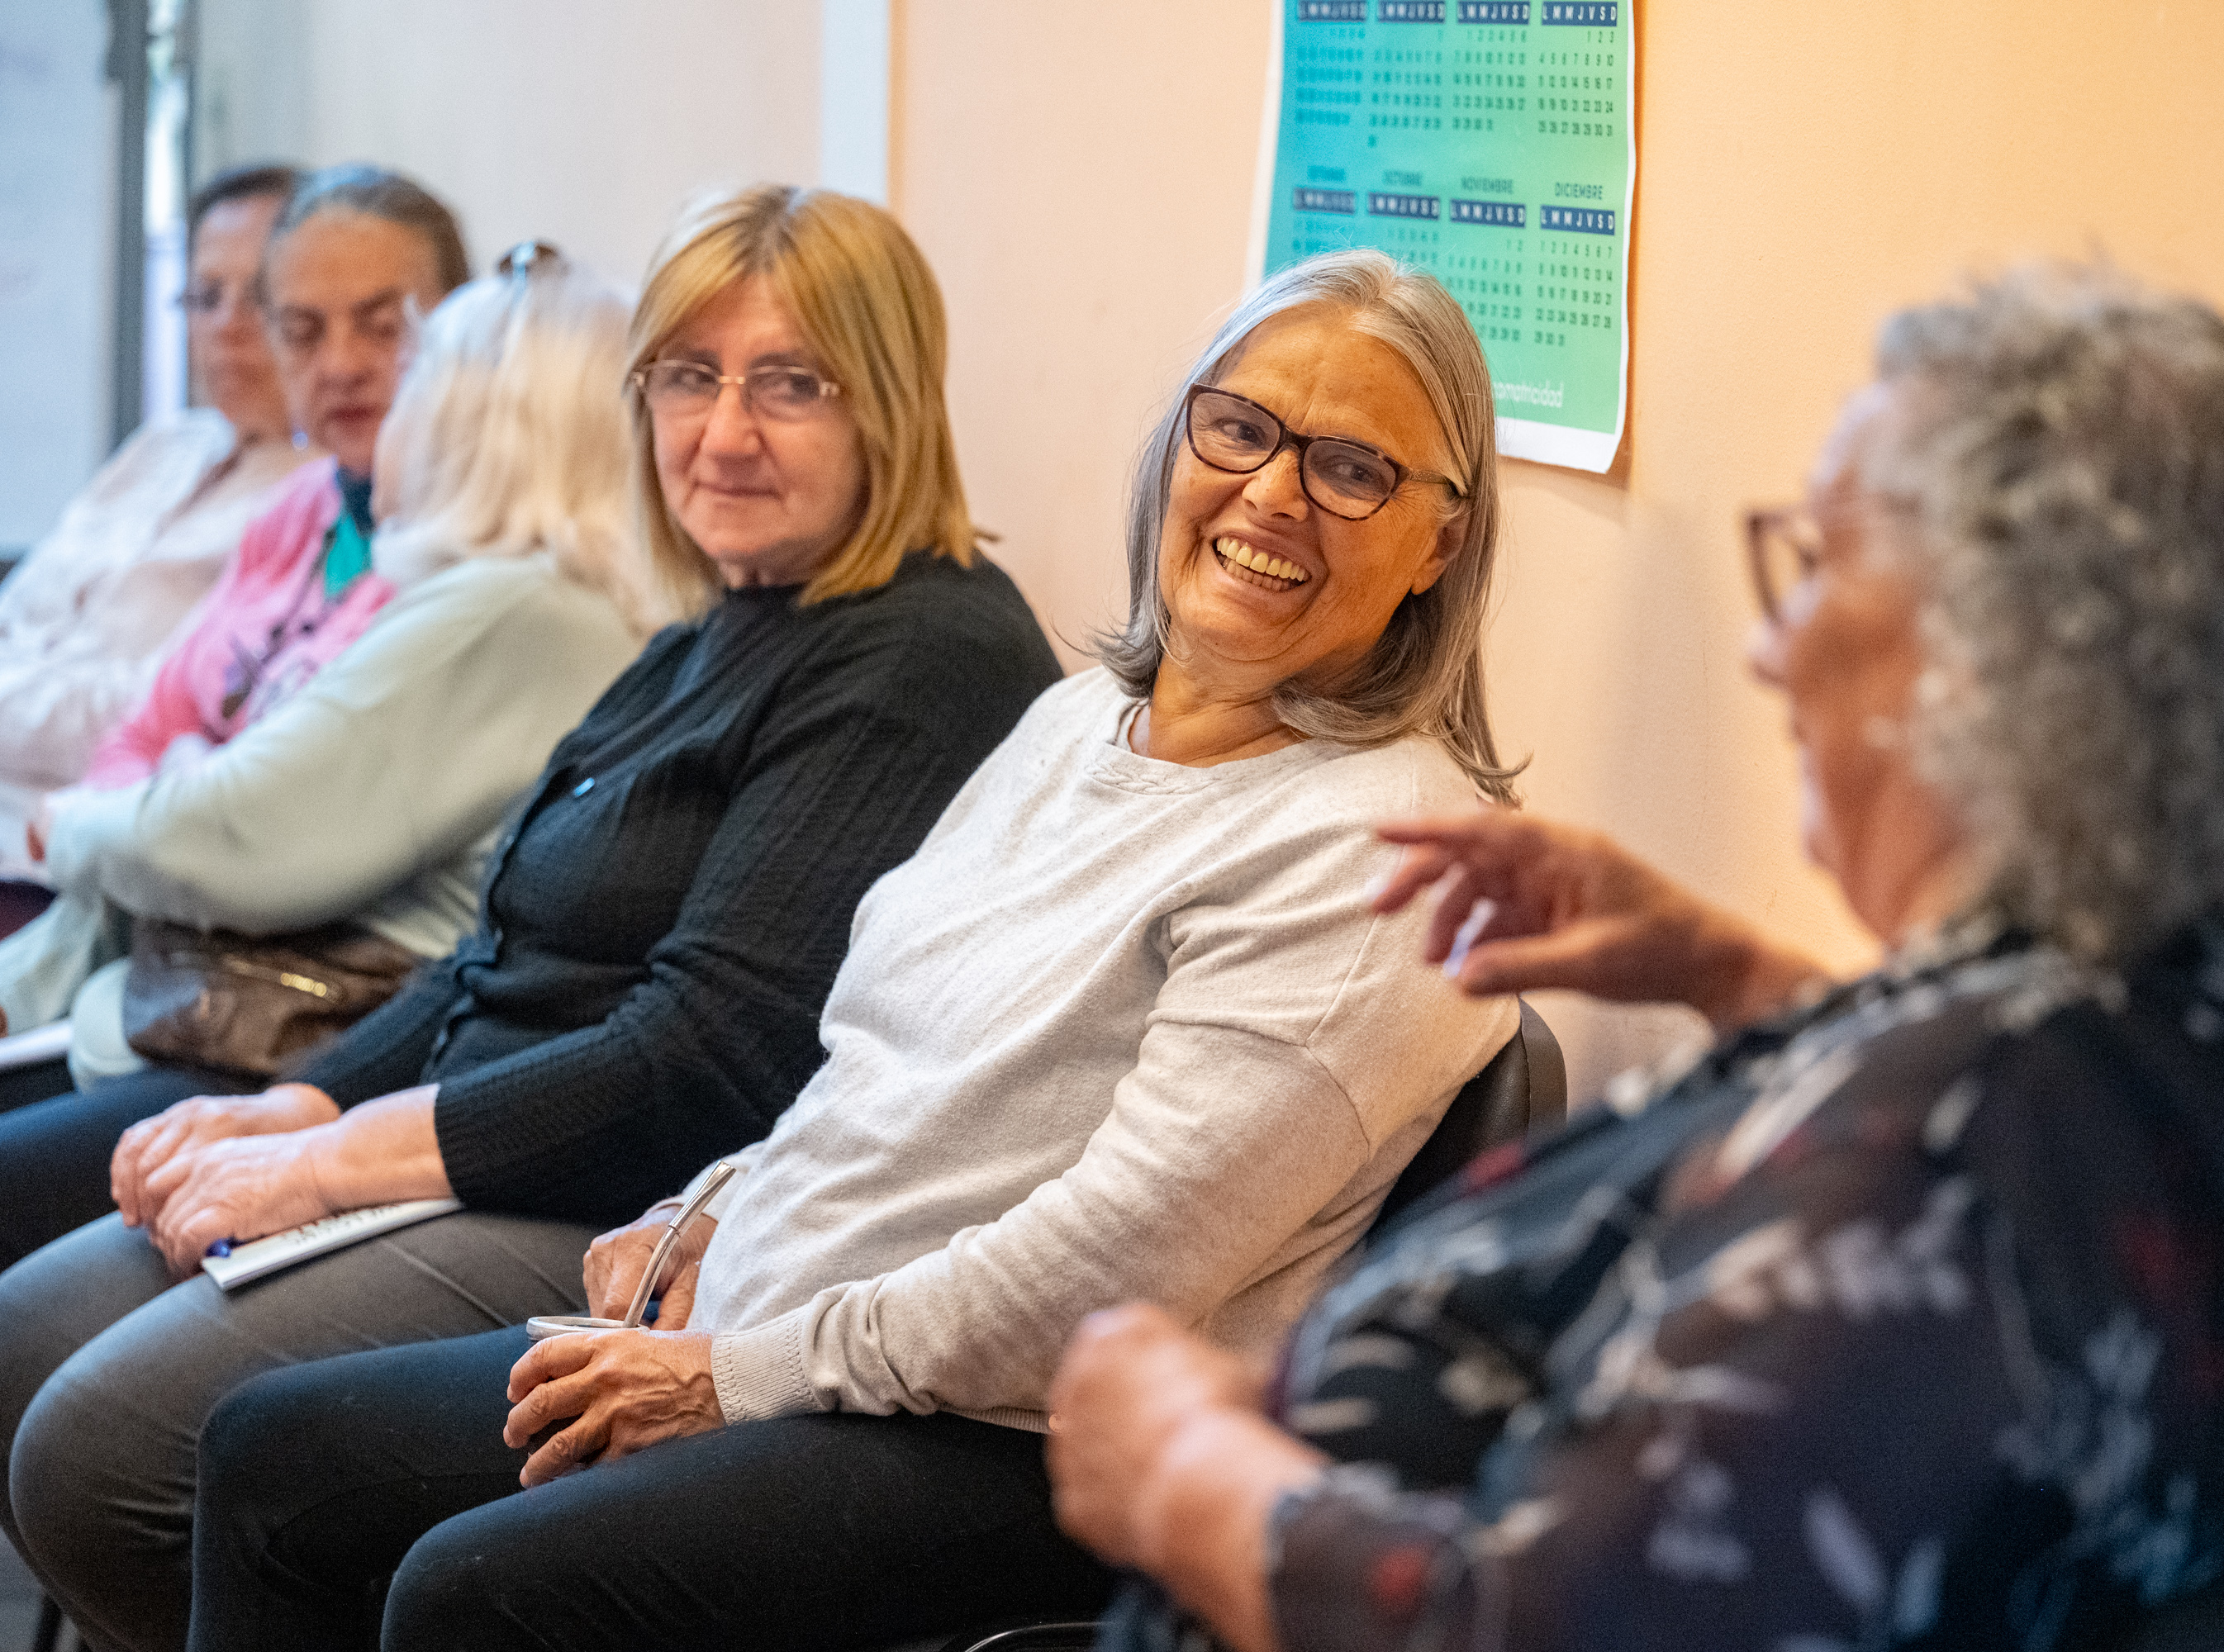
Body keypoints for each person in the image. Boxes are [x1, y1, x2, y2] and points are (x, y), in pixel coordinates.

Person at [1043, 268, 2224, 1652]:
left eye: (1819, 563)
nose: (1770, 647)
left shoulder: (1934, 1172)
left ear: (1989, 654)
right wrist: (1735, 979)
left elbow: (1534, 1627)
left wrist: (1172, 1468)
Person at [183, 246, 1519, 1651]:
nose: (1273, 493)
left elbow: (1108, 1271)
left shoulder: (1391, 859)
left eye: (1353, 469)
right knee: (274, 1459)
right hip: (801, 1328)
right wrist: (714, 1206)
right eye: (1239, 428)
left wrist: (737, 1376)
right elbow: (887, 1066)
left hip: (1015, 1435)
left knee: (479, 1595)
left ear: (1440, 543)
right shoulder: (1081, 722)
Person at [0, 184, 1063, 1652]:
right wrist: (303, 1103)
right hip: (481, 1140)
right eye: (687, 378)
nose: (723, 433)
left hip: (622, 1198)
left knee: (107, 1453)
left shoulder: (920, 652)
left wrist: (326, 1164)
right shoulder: (723, 622)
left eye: (790, 384)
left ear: (890, 402)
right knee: (26, 1339)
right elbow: (492, 954)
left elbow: (704, 1058)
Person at [0, 246, 658, 1259]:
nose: (386, 409)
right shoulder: (543, 600)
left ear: (474, 425)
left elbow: (241, 834)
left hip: (312, 1040)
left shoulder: (510, 609)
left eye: (412, 374)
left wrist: (76, 824)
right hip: (326, 1037)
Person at [0, 163, 468, 1056]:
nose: (341, 365)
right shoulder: (300, 512)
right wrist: (173, 796)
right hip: (143, 923)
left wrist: (152, 807)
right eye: (303, 329)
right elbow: (142, 735)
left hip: (299, 997)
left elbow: (274, 823)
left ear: (463, 328)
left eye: (384, 328)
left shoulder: (471, 552)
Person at [0, 164, 315, 917]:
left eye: (259, 295)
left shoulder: (321, 502)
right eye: (204, 296)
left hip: (57, 866)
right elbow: (19, 614)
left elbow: (157, 714)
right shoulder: (164, 447)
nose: (226, 326)